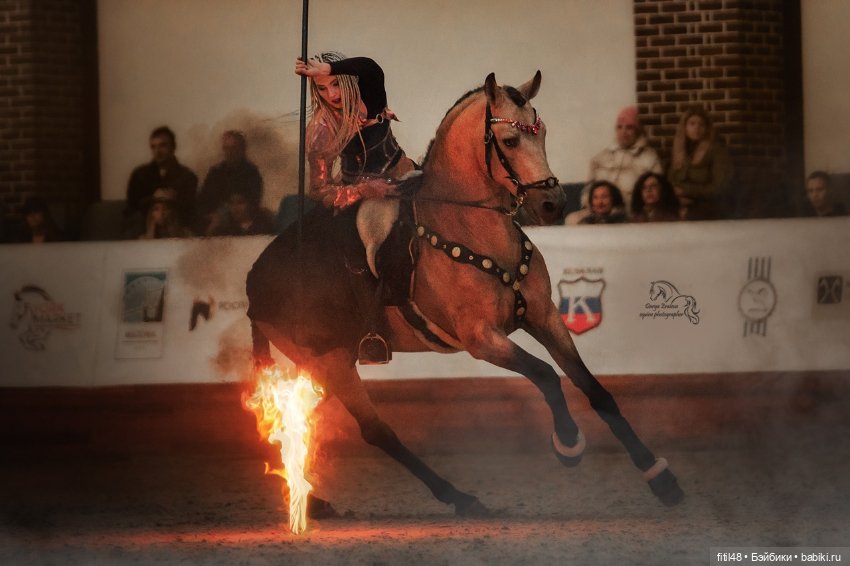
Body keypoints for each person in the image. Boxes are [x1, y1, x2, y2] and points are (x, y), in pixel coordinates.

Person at [296, 52, 416, 207]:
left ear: (347, 80)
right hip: (363, 199)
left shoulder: (369, 96)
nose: (331, 94)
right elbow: (319, 189)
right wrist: (362, 190)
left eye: (336, 83)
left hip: (405, 173)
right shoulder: (321, 129)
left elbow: (371, 68)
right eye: (322, 88)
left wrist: (327, 69)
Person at [567, 106, 662, 224]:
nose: (624, 132)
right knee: (572, 220)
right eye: (620, 127)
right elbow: (588, 189)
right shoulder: (601, 157)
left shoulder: (649, 158)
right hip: (599, 212)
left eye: (629, 127)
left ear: (637, 131)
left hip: (630, 212)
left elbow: (656, 190)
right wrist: (590, 206)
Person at [124, 126, 198, 235]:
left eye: (162, 146)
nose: (157, 151)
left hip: (176, 228)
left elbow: (190, 209)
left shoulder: (188, 176)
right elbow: (132, 204)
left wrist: (173, 199)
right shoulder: (139, 174)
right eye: (153, 147)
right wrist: (154, 198)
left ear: (173, 147)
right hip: (144, 226)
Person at [668, 107, 734, 220]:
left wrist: (686, 191)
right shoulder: (678, 150)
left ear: (707, 128)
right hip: (678, 204)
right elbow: (671, 179)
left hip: (707, 206)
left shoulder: (717, 151)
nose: (696, 128)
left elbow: (720, 187)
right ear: (685, 127)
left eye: (701, 125)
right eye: (692, 124)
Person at [196, 130, 264, 234]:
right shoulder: (215, 172)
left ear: (242, 149)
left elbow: (253, 203)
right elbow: (203, 201)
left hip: (241, 223)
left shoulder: (252, 172)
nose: (229, 152)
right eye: (226, 148)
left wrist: (226, 212)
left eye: (233, 148)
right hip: (214, 220)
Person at [208, 187, 276, 236]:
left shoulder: (263, 226)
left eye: (240, 203)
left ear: (250, 204)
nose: (235, 208)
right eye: (231, 203)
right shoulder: (228, 230)